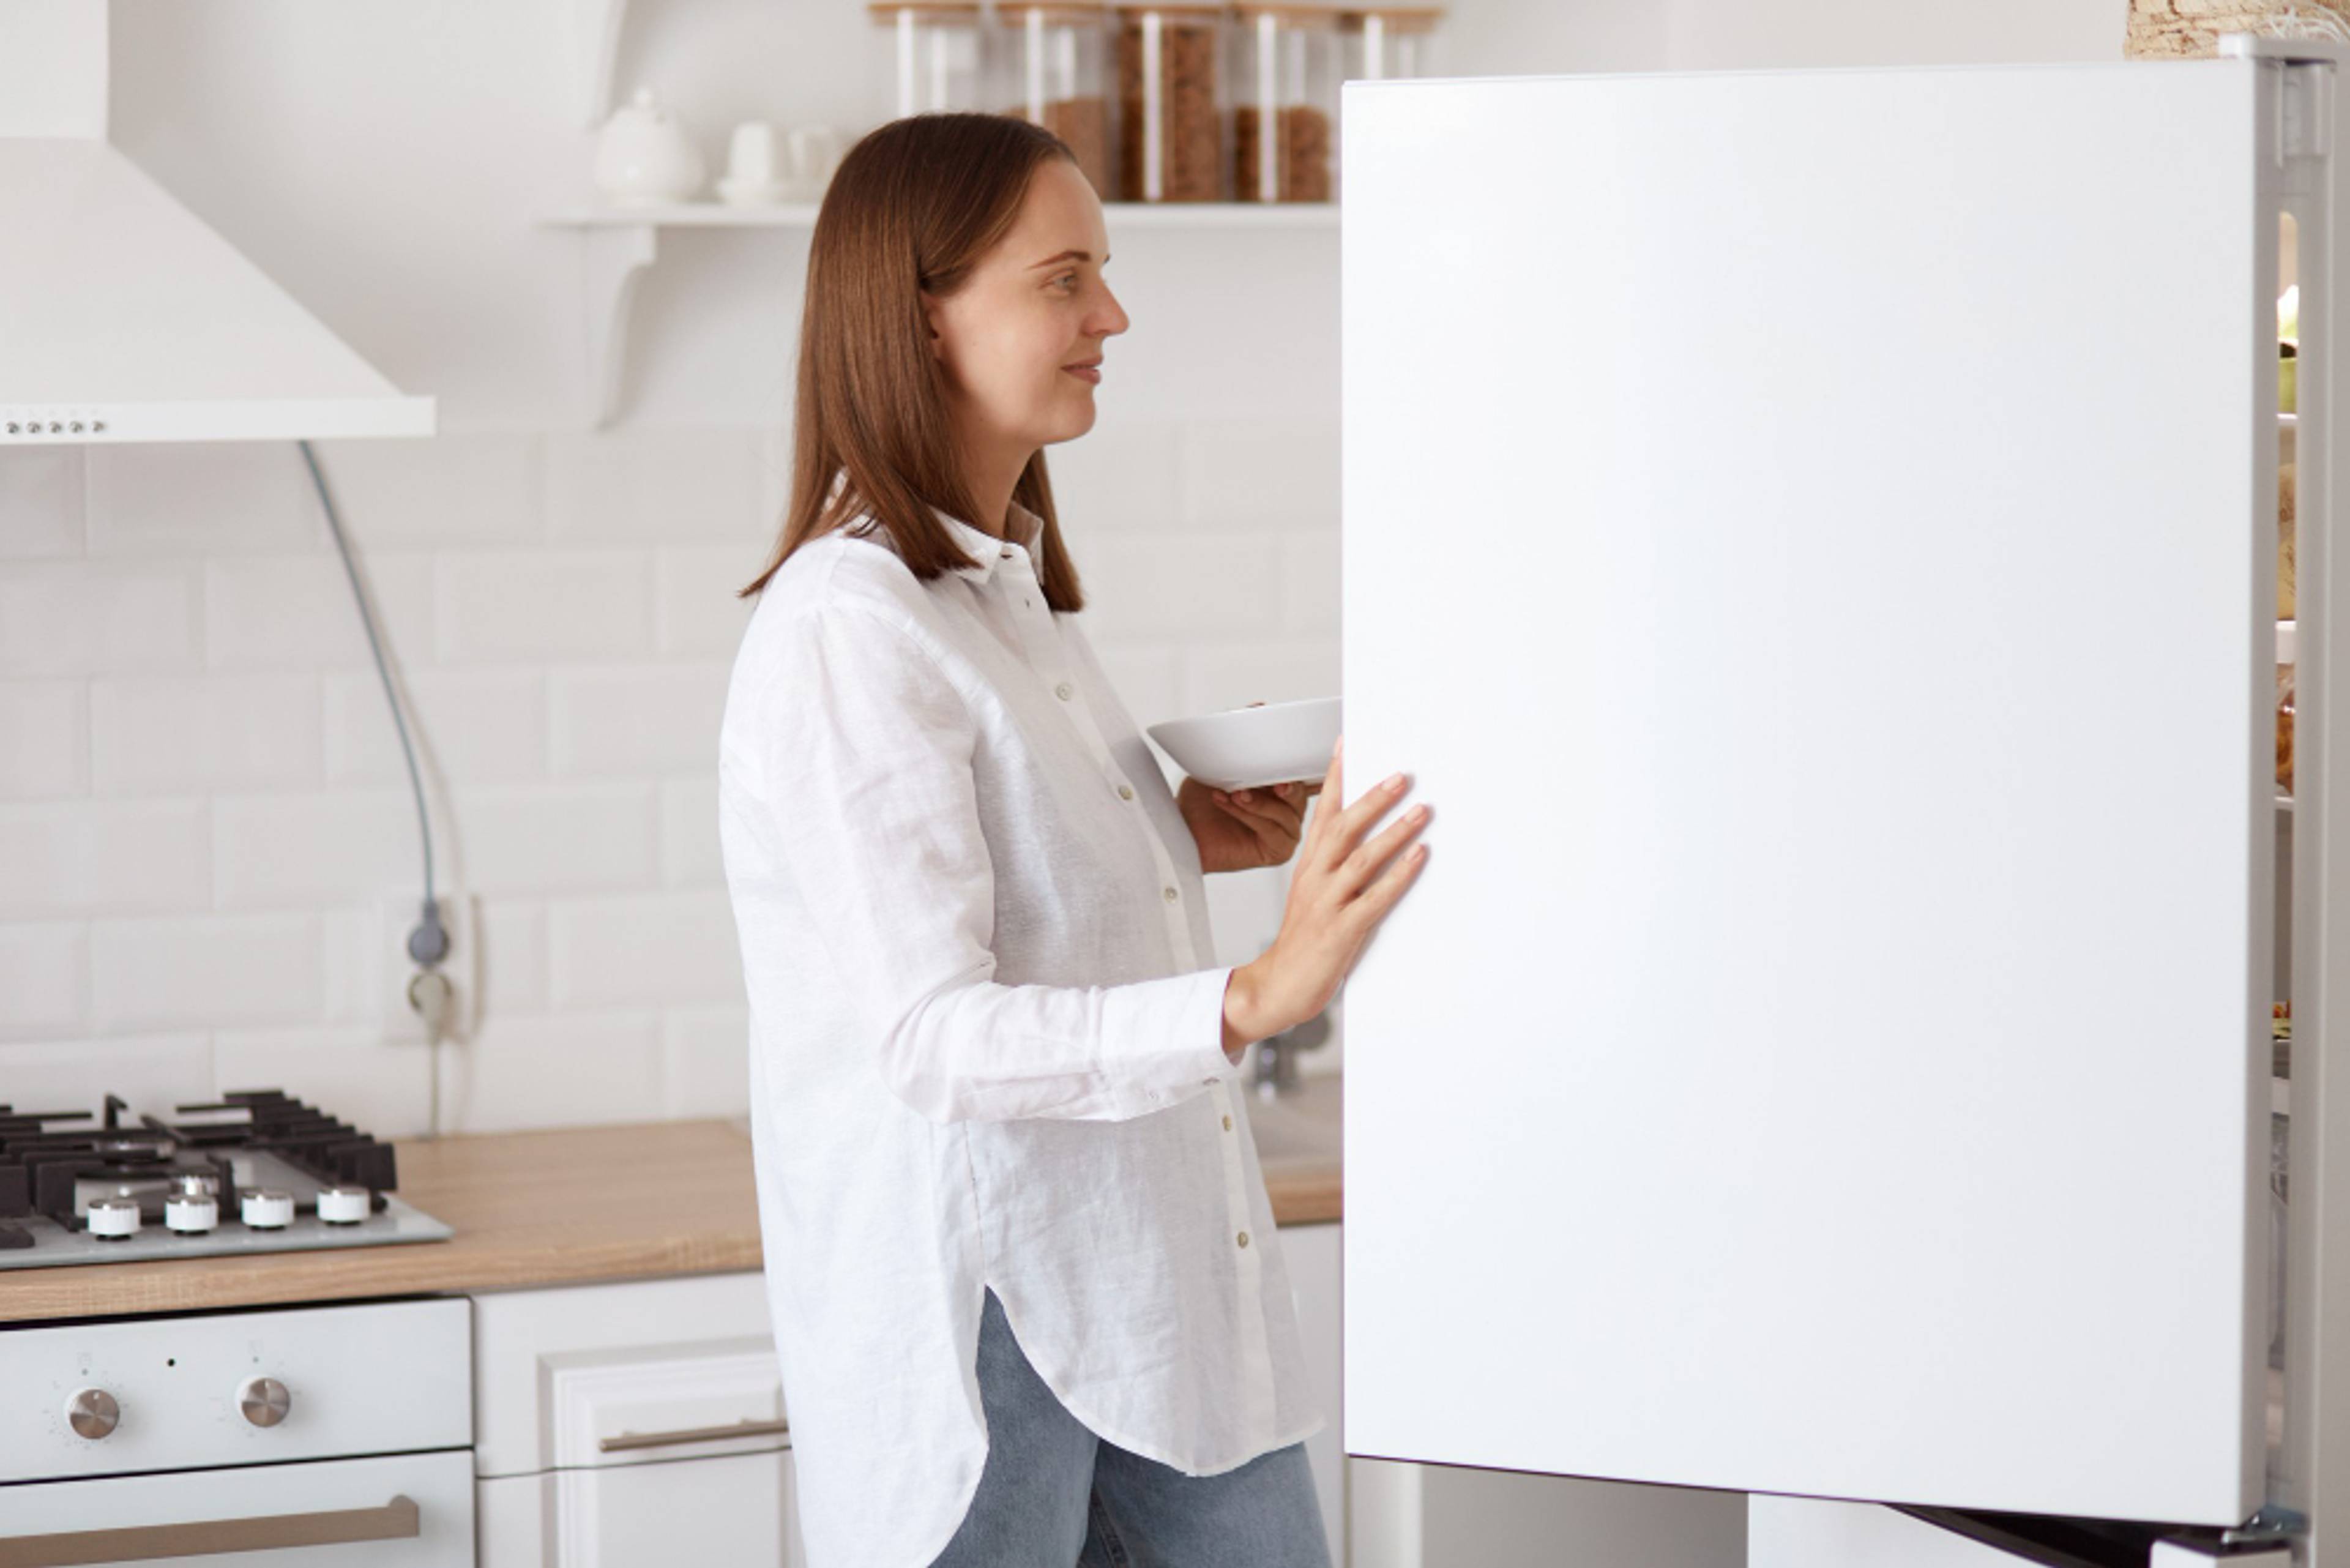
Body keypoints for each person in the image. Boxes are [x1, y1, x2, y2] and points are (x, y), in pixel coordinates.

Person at [717, 111, 1431, 1568]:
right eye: (1064, 279)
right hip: (989, 1334)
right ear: (926, 320)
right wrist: (1249, 998)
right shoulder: (850, 630)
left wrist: (1176, 839)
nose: (1111, 314)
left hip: (1150, 1304)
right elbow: (934, 1034)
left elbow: (1008, 891)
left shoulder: (1000, 596)